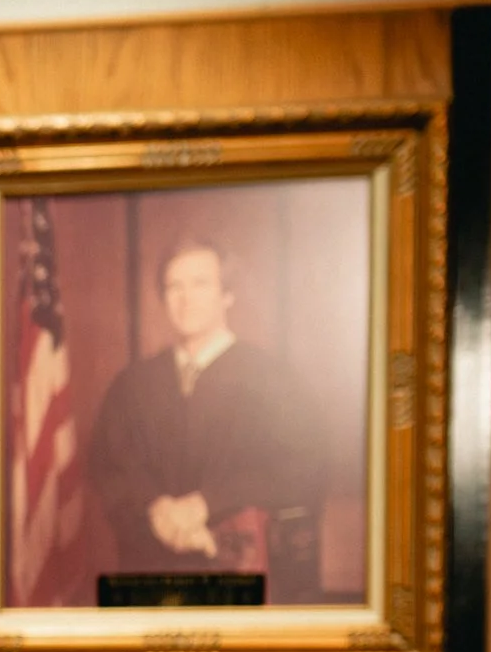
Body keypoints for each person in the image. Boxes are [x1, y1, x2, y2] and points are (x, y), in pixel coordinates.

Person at [86, 237, 325, 598]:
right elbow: (110, 465)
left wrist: (207, 503)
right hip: (149, 571)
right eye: (174, 287)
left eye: (201, 284)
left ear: (227, 294)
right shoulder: (133, 384)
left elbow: (304, 469)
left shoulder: (272, 379)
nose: (186, 299)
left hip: (242, 574)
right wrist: (157, 509)